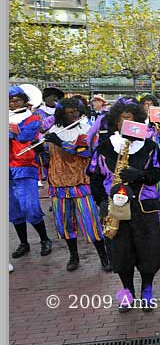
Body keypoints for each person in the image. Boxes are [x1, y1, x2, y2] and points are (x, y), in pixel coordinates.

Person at [87, 98, 160, 312]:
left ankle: (147, 290)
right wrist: (102, 201)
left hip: (144, 208)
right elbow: (94, 178)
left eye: (131, 118)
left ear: (139, 122)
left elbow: (158, 173)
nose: (127, 122)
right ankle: (127, 292)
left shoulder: (149, 146)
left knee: (148, 252)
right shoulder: (104, 147)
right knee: (121, 254)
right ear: (115, 122)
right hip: (115, 210)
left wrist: (141, 175)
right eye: (123, 119)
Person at [44, 98, 110, 272]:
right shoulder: (52, 131)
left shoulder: (87, 130)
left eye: (76, 111)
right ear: (61, 114)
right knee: (64, 223)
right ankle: (73, 255)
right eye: (69, 112)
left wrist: (60, 143)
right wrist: (39, 150)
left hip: (81, 182)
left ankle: (104, 257)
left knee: (91, 222)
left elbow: (86, 152)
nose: (74, 115)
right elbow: (46, 157)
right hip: (58, 184)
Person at [9, 86, 53, 259]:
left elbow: (25, 136)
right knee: (13, 209)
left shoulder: (32, 117)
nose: (13, 103)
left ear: (24, 101)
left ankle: (44, 239)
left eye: (17, 100)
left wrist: (11, 130)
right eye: (10, 101)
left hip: (24, 166)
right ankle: (24, 243)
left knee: (30, 207)